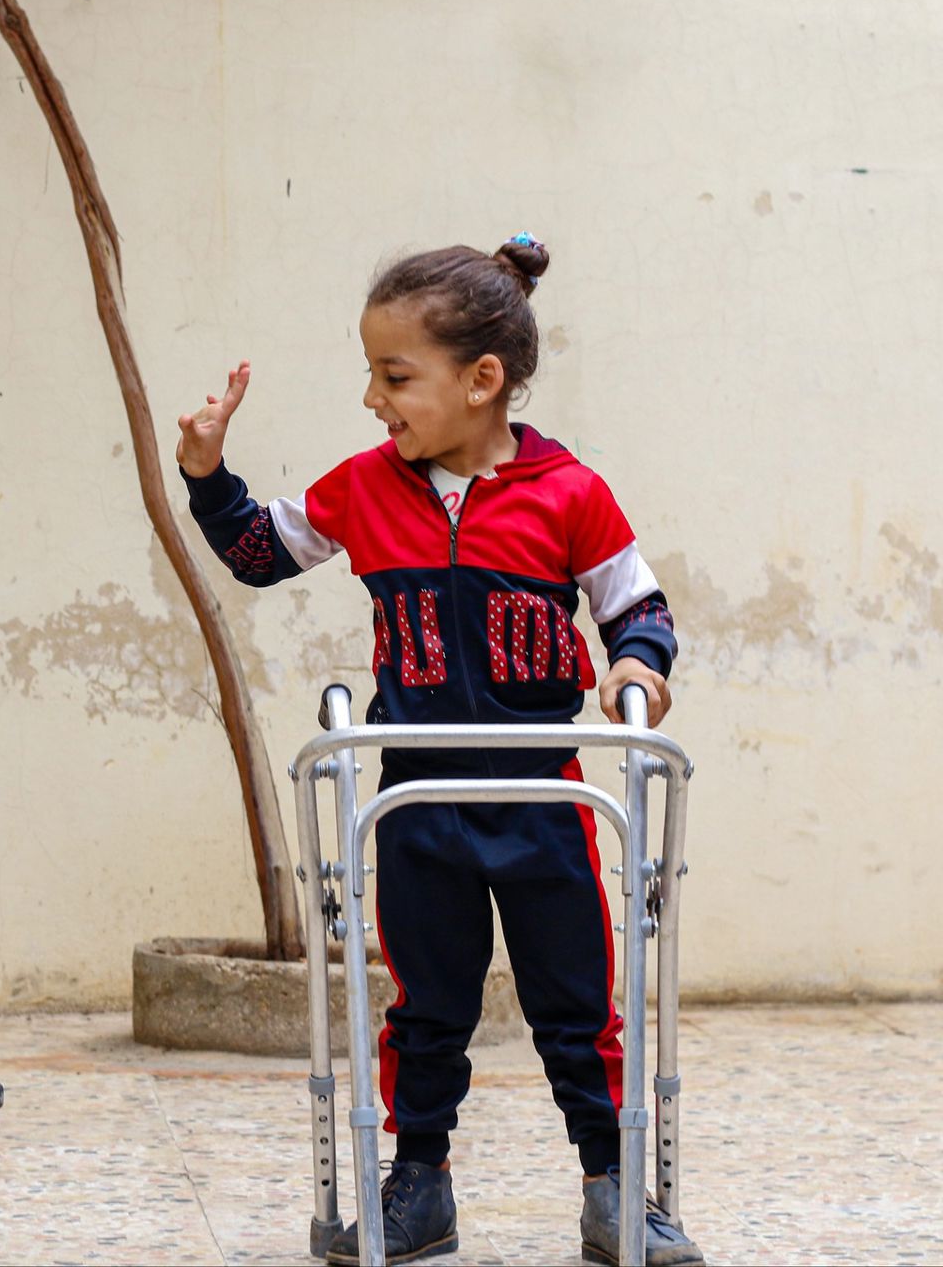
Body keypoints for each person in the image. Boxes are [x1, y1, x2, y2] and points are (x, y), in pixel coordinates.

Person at [176, 235, 702, 1267]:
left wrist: (637, 672)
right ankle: (418, 1183)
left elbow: (638, 609)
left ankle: (614, 1183)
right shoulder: (366, 488)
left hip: (545, 796)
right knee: (426, 1005)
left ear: (482, 380)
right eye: (373, 372)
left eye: (394, 375)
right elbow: (255, 552)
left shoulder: (569, 492)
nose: (374, 397)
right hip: (415, 798)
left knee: (575, 1000)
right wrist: (206, 469)